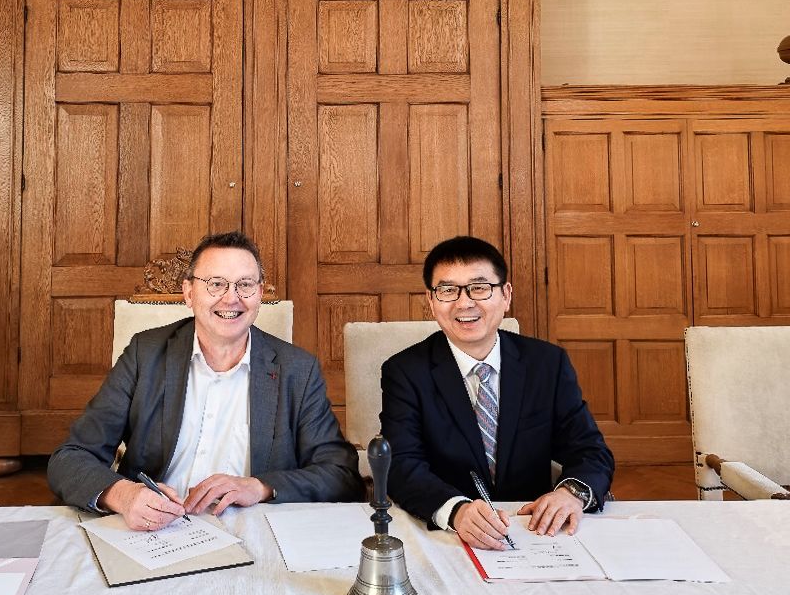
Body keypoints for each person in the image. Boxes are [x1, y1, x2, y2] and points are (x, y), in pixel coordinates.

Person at [48, 231, 362, 529]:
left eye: (245, 285)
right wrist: (124, 495)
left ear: (260, 294)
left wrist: (261, 486)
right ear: (189, 292)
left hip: (253, 528)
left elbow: (341, 474)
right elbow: (71, 458)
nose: (231, 298)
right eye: (216, 284)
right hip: (155, 531)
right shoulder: (145, 355)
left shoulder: (298, 369)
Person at [380, 235, 614, 550]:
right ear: (431, 301)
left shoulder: (547, 363)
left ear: (506, 295)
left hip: (533, 531)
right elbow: (401, 464)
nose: (464, 303)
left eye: (479, 288)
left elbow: (590, 450)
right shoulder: (405, 371)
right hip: (447, 536)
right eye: (448, 290)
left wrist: (571, 493)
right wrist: (456, 511)